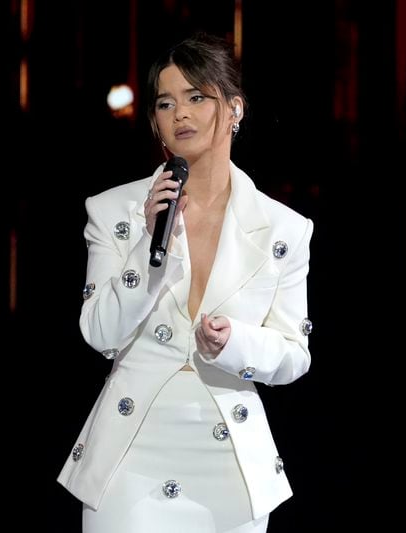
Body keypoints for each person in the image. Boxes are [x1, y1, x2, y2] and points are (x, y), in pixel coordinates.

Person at [58, 32, 314, 533]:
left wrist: (234, 342)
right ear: (154, 122)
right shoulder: (113, 212)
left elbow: (293, 355)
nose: (181, 113)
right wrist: (145, 250)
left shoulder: (285, 228)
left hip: (228, 467)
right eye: (166, 102)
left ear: (235, 109)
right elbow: (99, 333)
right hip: (129, 458)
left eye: (198, 97)